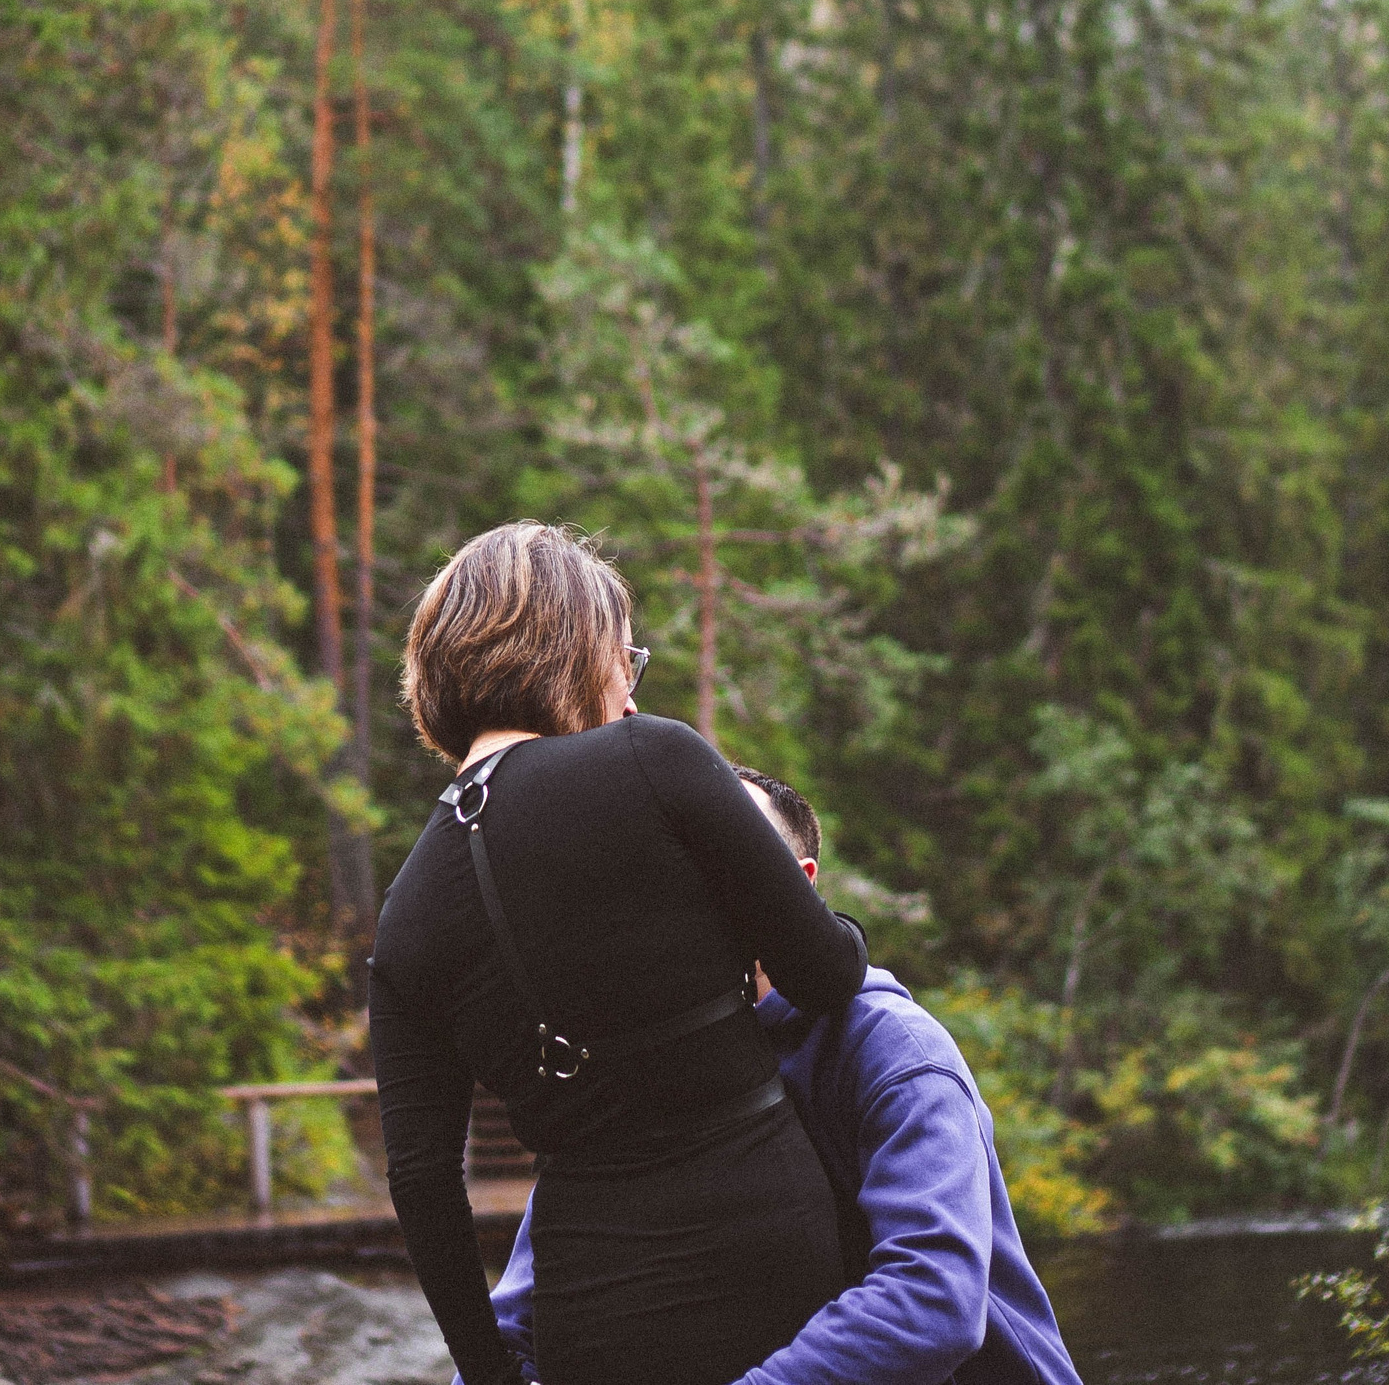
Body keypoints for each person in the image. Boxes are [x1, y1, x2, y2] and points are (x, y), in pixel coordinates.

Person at [370, 523, 869, 1385]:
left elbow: (421, 1183)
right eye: (622, 658)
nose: (629, 693)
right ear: (571, 646)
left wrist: (489, 1371)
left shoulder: (404, 915)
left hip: (589, 1308)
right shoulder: (654, 759)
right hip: (767, 1248)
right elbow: (827, 976)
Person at [478, 768, 1086, 1385]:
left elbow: (934, 1297)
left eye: (714, 865)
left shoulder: (893, 1049)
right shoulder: (639, 1065)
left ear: (794, 888)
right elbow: (520, 1318)